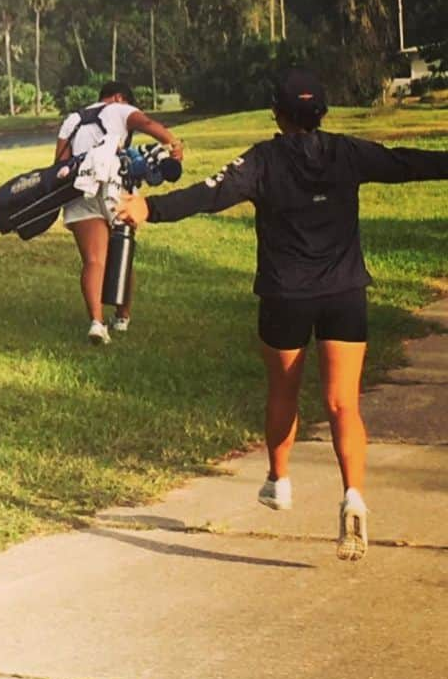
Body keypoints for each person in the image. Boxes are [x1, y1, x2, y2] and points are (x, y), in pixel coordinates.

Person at [118, 66, 448, 561]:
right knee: (343, 404)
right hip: (344, 294)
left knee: (284, 392)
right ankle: (353, 496)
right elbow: (405, 163)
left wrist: (150, 209)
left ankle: (280, 479)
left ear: (277, 113)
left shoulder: (262, 160)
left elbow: (209, 193)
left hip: (285, 296)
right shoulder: (347, 151)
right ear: (322, 113)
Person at [55, 80, 184, 346]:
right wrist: (173, 144)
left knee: (94, 261)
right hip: (117, 187)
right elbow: (147, 124)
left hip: (80, 189)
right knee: (122, 254)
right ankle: (122, 317)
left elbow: (60, 161)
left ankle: (97, 322)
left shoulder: (72, 119)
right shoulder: (119, 109)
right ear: (118, 97)